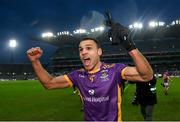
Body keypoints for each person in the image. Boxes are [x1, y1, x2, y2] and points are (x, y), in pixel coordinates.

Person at [27, 20, 153, 121]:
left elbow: (146, 76)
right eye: (80, 49)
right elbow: (49, 83)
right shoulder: (77, 76)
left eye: (88, 48)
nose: (83, 52)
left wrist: (130, 46)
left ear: (99, 52)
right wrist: (35, 61)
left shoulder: (115, 70)